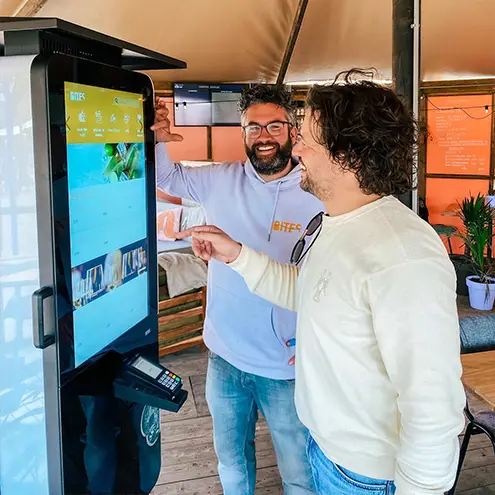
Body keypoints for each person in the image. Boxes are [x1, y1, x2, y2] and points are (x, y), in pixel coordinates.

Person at [176, 71, 466, 495]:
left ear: (347, 155)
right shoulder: (339, 223)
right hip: (329, 451)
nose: (297, 148)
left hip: (367, 476)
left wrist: (421, 488)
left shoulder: (402, 255)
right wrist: (236, 254)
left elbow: (433, 400)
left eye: (308, 138)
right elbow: (310, 293)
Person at [152, 85, 322, 494]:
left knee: (298, 473)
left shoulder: (319, 191)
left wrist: (323, 339)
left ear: (293, 130)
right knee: (231, 463)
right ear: (243, 132)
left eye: (275, 125)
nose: (264, 135)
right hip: (224, 357)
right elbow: (165, 176)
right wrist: (157, 138)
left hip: (287, 366)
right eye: (254, 126)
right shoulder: (221, 179)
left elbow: (332, 280)